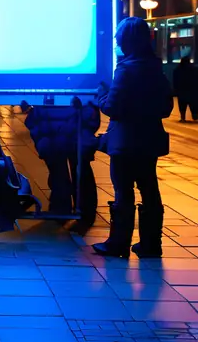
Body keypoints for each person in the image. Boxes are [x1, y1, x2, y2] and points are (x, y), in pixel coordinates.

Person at [92, 16, 173, 259]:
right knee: (150, 189)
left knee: (123, 191)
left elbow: (111, 108)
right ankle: (150, 244)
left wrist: (102, 93)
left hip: (125, 143)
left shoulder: (125, 69)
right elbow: (166, 108)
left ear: (126, 41)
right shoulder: (155, 68)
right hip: (149, 142)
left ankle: (118, 243)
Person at [24, 96, 99, 232]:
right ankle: (85, 212)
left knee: (58, 170)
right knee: (81, 170)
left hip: (50, 124)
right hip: (76, 121)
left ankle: (61, 208)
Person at [173, 55, 198, 122]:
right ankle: (194, 114)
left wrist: (176, 90)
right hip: (192, 90)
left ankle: (183, 117)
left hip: (182, 91)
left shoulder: (177, 70)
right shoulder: (194, 70)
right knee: (193, 103)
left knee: (182, 104)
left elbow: (175, 81)